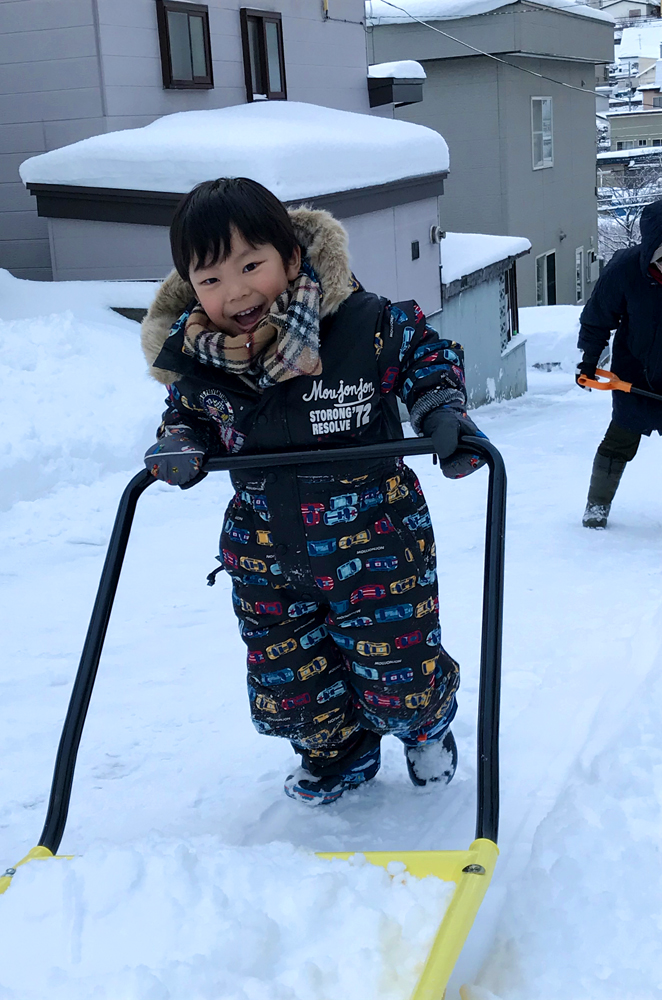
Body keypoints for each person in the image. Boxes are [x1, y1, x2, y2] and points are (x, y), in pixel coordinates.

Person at [140, 177, 486, 806]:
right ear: (190, 286)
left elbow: (424, 355)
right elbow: (187, 414)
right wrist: (181, 440)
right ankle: (338, 753)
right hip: (264, 552)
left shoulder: (361, 323)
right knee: (292, 686)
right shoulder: (197, 359)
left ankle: (424, 726)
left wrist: (442, 411)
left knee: (397, 672)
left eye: (251, 265)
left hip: (377, 543)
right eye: (211, 278)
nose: (235, 291)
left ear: (292, 257)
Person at [576, 198, 662, 529]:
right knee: (619, 441)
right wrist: (589, 360)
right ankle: (597, 505)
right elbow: (597, 318)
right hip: (635, 376)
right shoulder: (625, 270)